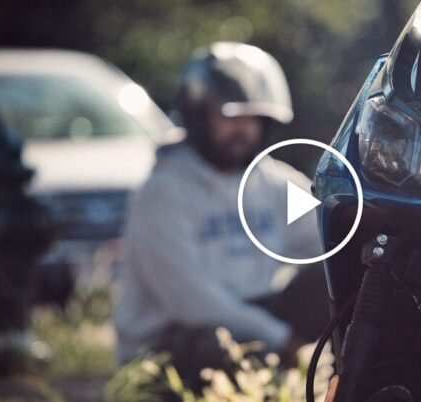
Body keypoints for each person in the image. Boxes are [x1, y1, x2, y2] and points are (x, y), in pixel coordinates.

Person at [113, 42, 328, 383]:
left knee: (344, 274)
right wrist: (282, 339)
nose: (242, 129)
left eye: (251, 117)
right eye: (229, 115)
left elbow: (329, 242)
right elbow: (191, 301)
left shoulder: (274, 183)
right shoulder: (163, 192)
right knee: (214, 342)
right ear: (198, 114)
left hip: (256, 323)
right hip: (169, 347)